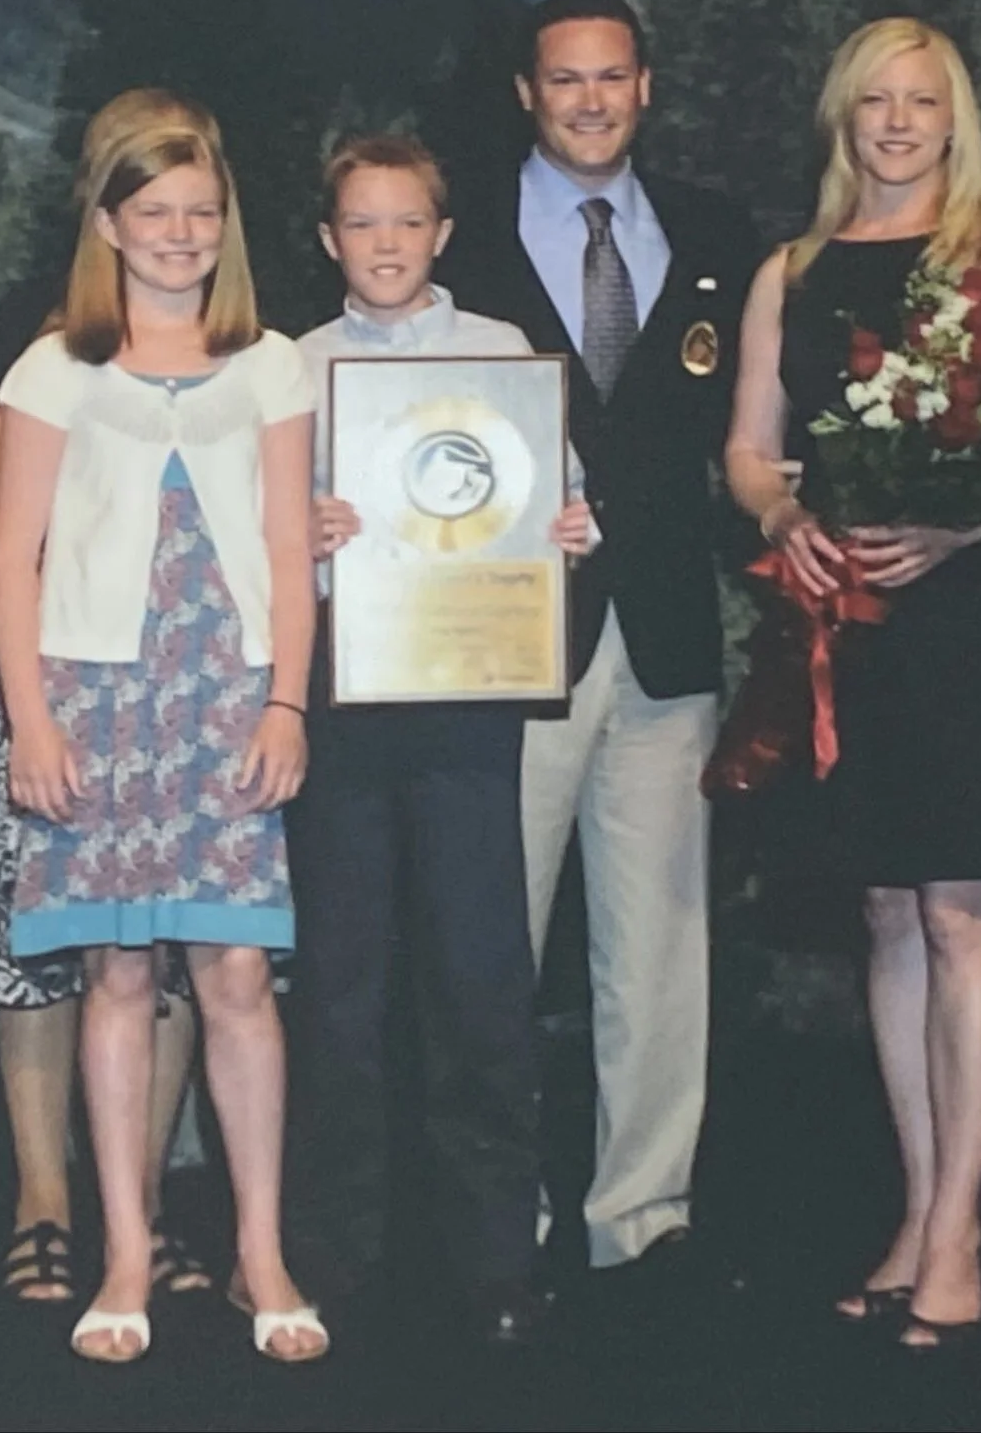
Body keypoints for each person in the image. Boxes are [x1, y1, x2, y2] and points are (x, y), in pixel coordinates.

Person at [723, 18, 981, 1351]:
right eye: (872, 100)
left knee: (959, 917)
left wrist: (962, 526)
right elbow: (752, 452)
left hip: (967, 623)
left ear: (955, 119)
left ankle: (958, 1232)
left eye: (918, 101)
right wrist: (783, 522)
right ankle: (921, 1204)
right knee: (886, 914)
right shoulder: (793, 270)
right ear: (842, 118)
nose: (894, 121)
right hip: (842, 623)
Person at [0, 89, 224, 1308]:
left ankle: (146, 1195)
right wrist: (61, 566)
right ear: (99, 195)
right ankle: (43, 1201)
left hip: (183, 676)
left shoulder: (233, 334)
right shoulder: (34, 331)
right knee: (38, 945)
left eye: (193, 188)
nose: (168, 217)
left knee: (172, 940)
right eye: (136, 184)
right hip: (41, 663)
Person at [434, 0, 760, 1285]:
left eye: (610, 77)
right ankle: (494, 1205)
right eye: (563, 79)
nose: (588, 99)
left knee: (660, 945)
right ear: (527, 91)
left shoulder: (718, 236)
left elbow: (749, 431)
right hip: (509, 639)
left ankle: (644, 1211)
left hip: (671, 636)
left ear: (646, 86)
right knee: (489, 940)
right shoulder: (458, 239)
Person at [0, 121, 324, 1364]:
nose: (181, 233)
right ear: (110, 225)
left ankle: (259, 1249)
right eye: (156, 211)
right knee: (116, 975)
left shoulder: (271, 366)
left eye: (201, 211)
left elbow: (290, 551)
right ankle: (123, 1247)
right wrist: (30, 717)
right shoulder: (52, 369)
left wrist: (287, 701)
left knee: (236, 980)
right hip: (96, 704)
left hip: (228, 701)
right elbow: (12, 559)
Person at [286, 133, 597, 1348]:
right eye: (361, 224)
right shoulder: (292, 368)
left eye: (407, 222)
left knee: (481, 984)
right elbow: (257, 539)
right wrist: (296, 526)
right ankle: (333, 1253)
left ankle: (492, 1258)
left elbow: (559, 506)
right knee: (342, 993)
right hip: (345, 710)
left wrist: (568, 527)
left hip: (471, 704)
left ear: (443, 233)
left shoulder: (504, 357)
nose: (385, 245)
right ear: (327, 240)